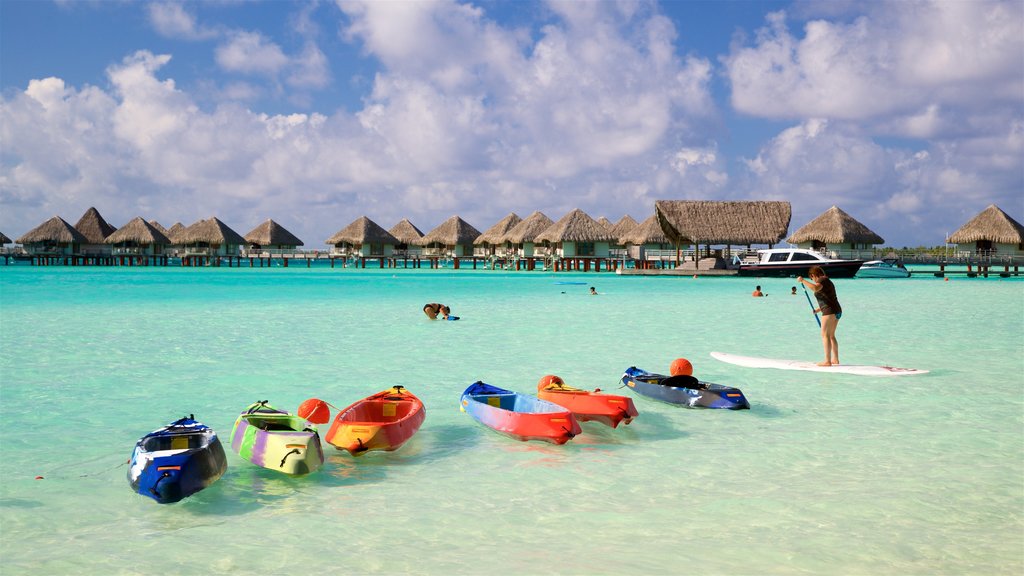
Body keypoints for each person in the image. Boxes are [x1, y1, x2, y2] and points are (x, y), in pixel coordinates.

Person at [797, 266, 842, 366]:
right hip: (836, 310)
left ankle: (827, 361)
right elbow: (828, 298)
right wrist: (818, 309)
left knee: (825, 335)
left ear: (813, 275)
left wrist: (803, 280)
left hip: (830, 311)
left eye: (811, 278)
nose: (812, 280)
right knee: (831, 336)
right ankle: (835, 359)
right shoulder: (827, 281)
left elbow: (815, 288)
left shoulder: (822, 279)